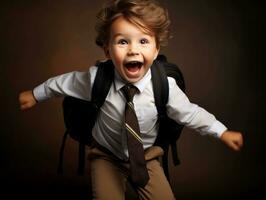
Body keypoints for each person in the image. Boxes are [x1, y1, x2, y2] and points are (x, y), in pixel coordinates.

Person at [18, 0, 243, 199]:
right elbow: (63, 83)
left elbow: (191, 113)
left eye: (143, 41)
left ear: (156, 51)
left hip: (146, 156)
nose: (133, 50)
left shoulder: (164, 86)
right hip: (106, 155)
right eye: (122, 42)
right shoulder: (97, 79)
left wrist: (221, 131)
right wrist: (35, 94)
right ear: (107, 50)